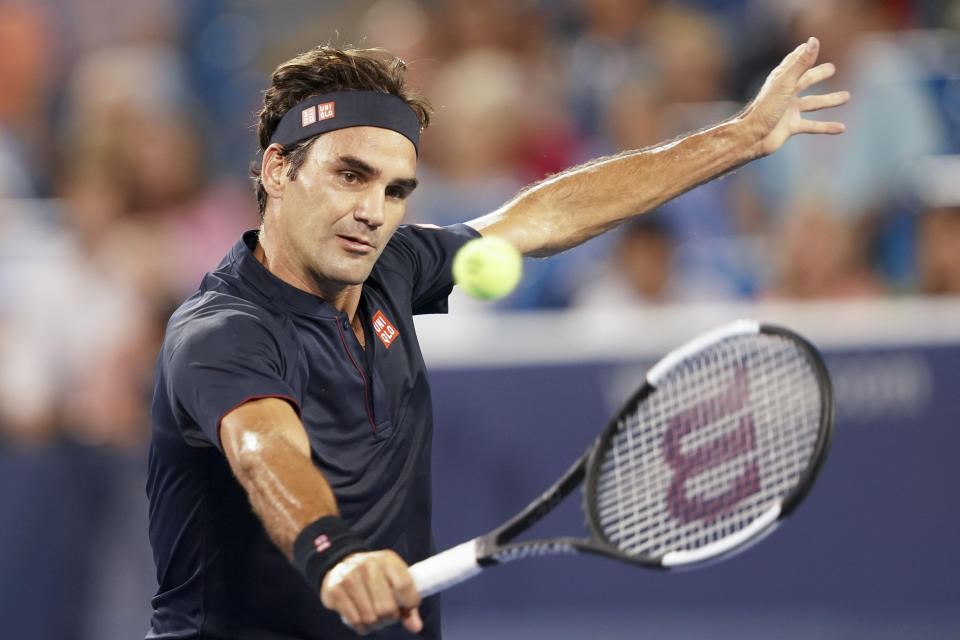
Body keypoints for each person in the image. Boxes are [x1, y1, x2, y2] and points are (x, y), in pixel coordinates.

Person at [147, 39, 848, 639]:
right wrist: (335, 555)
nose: (372, 212)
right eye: (350, 175)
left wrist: (742, 137)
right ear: (278, 169)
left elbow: (544, 217)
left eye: (396, 190)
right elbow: (264, 450)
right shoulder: (223, 330)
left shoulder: (391, 268)